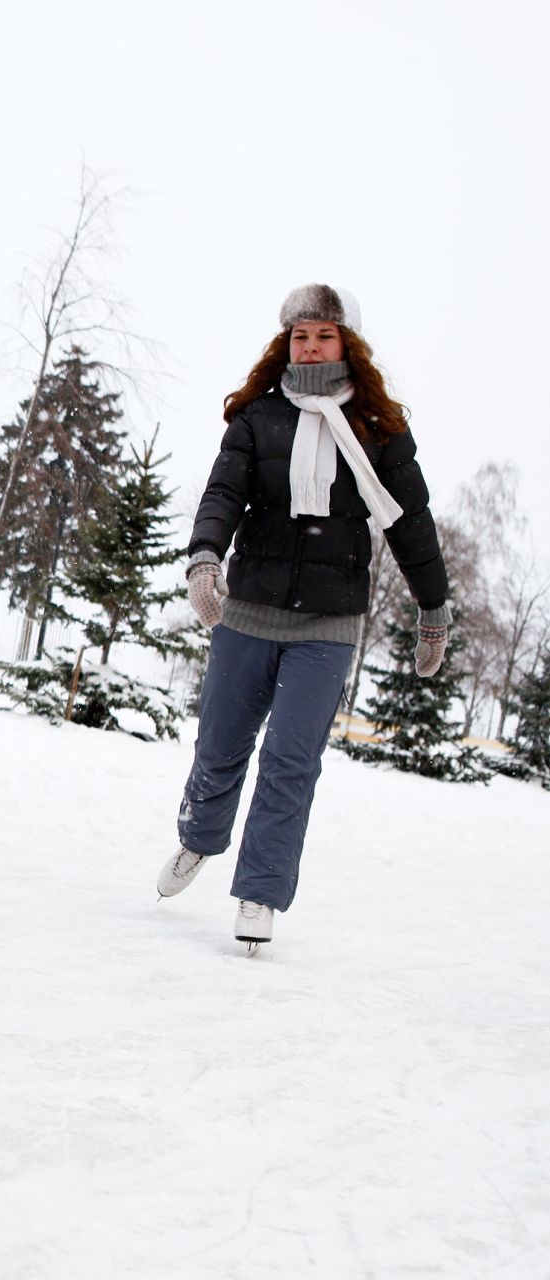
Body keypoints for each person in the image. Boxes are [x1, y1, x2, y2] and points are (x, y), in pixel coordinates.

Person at [158, 285, 450, 949]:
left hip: (328, 623)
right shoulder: (258, 419)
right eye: (299, 336)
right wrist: (204, 559)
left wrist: (431, 609)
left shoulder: (379, 429)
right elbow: (222, 494)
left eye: (322, 334)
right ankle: (197, 841)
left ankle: (258, 891)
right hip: (250, 609)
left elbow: (411, 526)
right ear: (284, 344)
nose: (310, 346)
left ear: (345, 343)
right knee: (219, 744)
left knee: (289, 762)